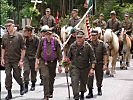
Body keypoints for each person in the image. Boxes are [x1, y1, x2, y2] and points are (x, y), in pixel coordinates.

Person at [35, 27, 62, 100]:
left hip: (53, 62)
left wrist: (60, 65)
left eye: (50, 34)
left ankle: (50, 91)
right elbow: (38, 52)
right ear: (45, 35)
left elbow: (59, 54)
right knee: (45, 77)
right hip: (43, 61)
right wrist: (36, 63)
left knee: (51, 78)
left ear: (52, 34)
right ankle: (46, 95)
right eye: (47, 34)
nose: (48, 36)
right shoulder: (42, 41)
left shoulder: (56, 41)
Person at [1, 19, 26, 100]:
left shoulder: (19, 36)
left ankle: (22, 85)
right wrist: (2, 58)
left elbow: (23, 49)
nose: (8, 27)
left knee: (17, 75)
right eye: (7, 26)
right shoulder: (4, 36)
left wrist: (21, 60)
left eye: (9, 25)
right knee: (8, 75)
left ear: (13, 26)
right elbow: (3, 48)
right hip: (7, 59)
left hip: (16, 59)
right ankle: (9, 92)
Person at [67, 30, 96, 100]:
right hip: (75, 67)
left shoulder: (88, 46)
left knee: (83, 82)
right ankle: (76, 96)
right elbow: (68, 58)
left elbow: (93, 59)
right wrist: (66, 66)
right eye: (77, 37)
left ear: (83, 38)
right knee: (74, 81)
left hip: (85, 67)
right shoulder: (72, 46)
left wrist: (92, 69)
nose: (79, 39)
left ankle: (82, 93)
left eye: (80, 37)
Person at [86, 30, 108, 98]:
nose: (93, 37)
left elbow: (105, 54)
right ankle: (90, 92)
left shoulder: (102, 44)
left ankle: (99, 88)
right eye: (92, 35)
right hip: (90, 63)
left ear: (98, 35)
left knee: (99, 77)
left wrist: (105, 64)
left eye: (95, 35)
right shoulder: (88, 44)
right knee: (89, 78)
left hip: (99, 63)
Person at [23, 25, 39, 93]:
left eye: (25, 31)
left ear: (29, 32)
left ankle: (33, 84)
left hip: (33, 57)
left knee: (33, 71)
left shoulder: (36, 39)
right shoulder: (24, 38)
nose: (24, 32)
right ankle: (26, 85)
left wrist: (37, 60)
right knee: (26, 70)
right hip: (26, 57)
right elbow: (21, 47)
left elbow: (38, 49)